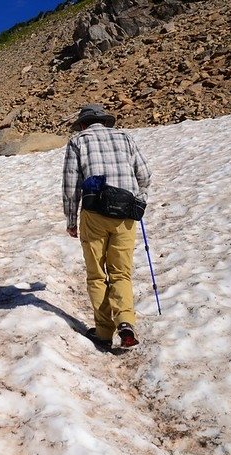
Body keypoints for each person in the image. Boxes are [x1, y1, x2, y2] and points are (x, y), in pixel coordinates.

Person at [62, 104, 152, 350]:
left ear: (83, 124)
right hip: (124, 214)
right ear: (104, 121)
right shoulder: (125, 137)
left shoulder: (78, 141)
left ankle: (103, 331)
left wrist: (71, 220)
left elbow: (71, 187)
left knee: (97, 274)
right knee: (121, 272)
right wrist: (139, 199)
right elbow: (144, 175)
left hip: (94, 213)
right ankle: (125, 322)